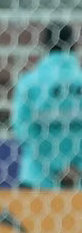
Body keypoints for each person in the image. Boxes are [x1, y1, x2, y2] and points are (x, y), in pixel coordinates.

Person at [12, 24, 82, 189]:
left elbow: (21, 129)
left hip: (37, 178)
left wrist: (53, 167)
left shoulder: (29, 83)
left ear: (44, 46)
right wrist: (76, 167)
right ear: (74, 46)